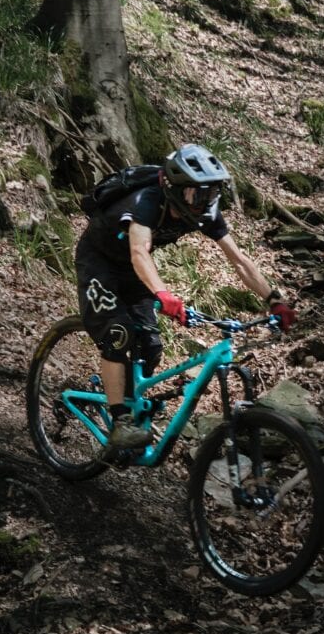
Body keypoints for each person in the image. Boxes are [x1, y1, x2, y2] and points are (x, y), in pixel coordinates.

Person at [75, 143, 298, 457]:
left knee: (150, 345)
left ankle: (124, 397)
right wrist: (163, 294)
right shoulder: (147, 200)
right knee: (118, 333)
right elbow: (139, 252)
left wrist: (274, 300)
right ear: (175, 188)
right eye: (198, 194)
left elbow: (239, 261)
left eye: (211, 194)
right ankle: (120, 422)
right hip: (99, 262)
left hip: (134, 272)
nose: (204, 202)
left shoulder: (205, 212)